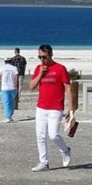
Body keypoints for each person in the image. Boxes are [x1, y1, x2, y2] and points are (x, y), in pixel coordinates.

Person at [29, 44, 72, 172]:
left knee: (53, 135)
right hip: (41, 107)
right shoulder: (39, 68)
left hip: (55, 107)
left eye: (44, 57)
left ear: (51, 55)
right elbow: (31, 86)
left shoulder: (60, 69)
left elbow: (68, 88)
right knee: (40, 136)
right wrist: (40, 74)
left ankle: (65, 150)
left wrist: (71, 107)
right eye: (39, 57)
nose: (42, 60)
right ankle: (44, 162)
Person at [0, 58, 19, 122]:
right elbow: (16, 77)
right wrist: (16, 85)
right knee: (11, 102)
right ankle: (10, 116)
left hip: (5, 88)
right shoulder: (14, 68)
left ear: (5, 62)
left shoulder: (2, 68)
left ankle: (8, 117)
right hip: (13, 87)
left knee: (6, 103)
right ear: (11, 62)